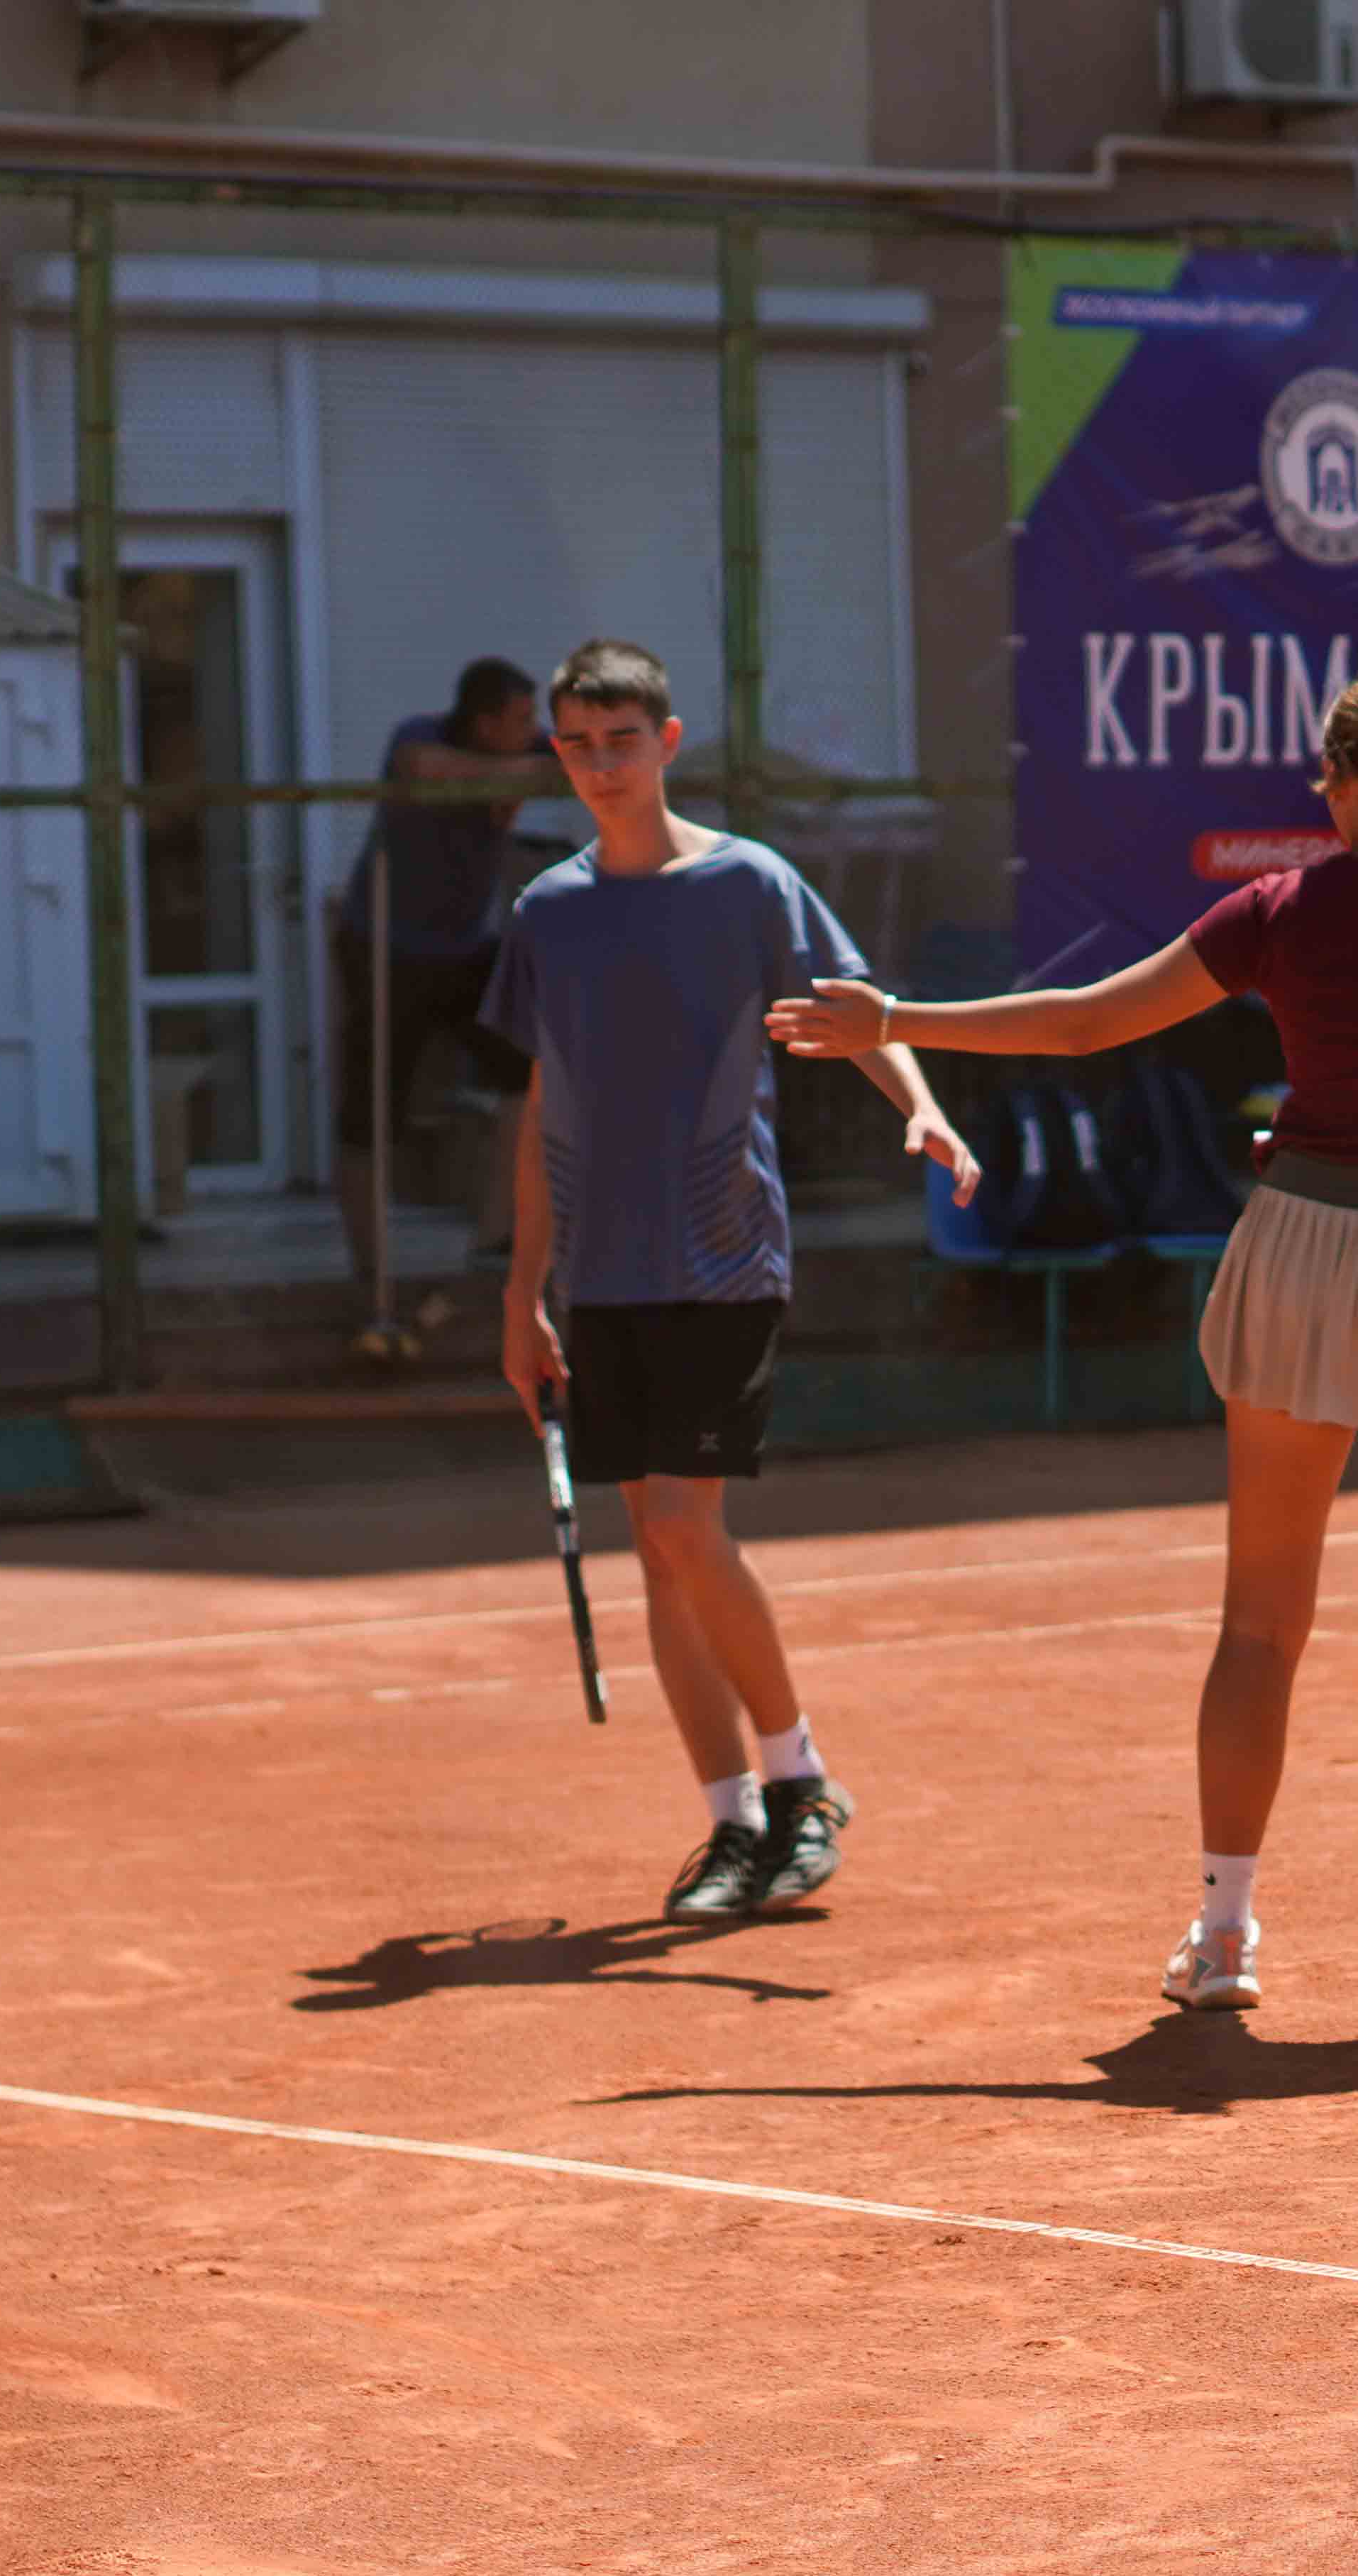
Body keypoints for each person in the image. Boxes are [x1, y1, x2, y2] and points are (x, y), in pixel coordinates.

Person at [770, 667, 1358, 2045]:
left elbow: (1085, 1019)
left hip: (1304, 1263)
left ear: (1333, 787)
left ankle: (1222, 1934)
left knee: (1260, 1626)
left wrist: (894, 1022)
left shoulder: (1280, 910)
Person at [487, 638, 981, 1922]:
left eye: (622, 741)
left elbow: (855, 1008)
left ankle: (801, 1782)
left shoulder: (748, 883)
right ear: (559, 755)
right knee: (659, 1556)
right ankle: (731, 1823)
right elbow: (543, 1103)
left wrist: (923, 1109)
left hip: (723, 1253)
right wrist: (523, 1291)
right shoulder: (547, 913)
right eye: (578, 745)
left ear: (667, 742)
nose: (601, 765)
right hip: (599, 1273)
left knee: (681, 1527)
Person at [334, 656, 555, 1356]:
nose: (532, 730)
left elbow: (582, 760)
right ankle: (373, 1276)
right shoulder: (419, 736)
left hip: (463, 950)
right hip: (384, 946)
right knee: (371, 1112)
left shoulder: (528, 747)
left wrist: (525, 772)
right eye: (519, 720)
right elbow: (425, 770)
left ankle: (494, 1238)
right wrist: (512, 777)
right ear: (484, 723)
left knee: (531, 1069)